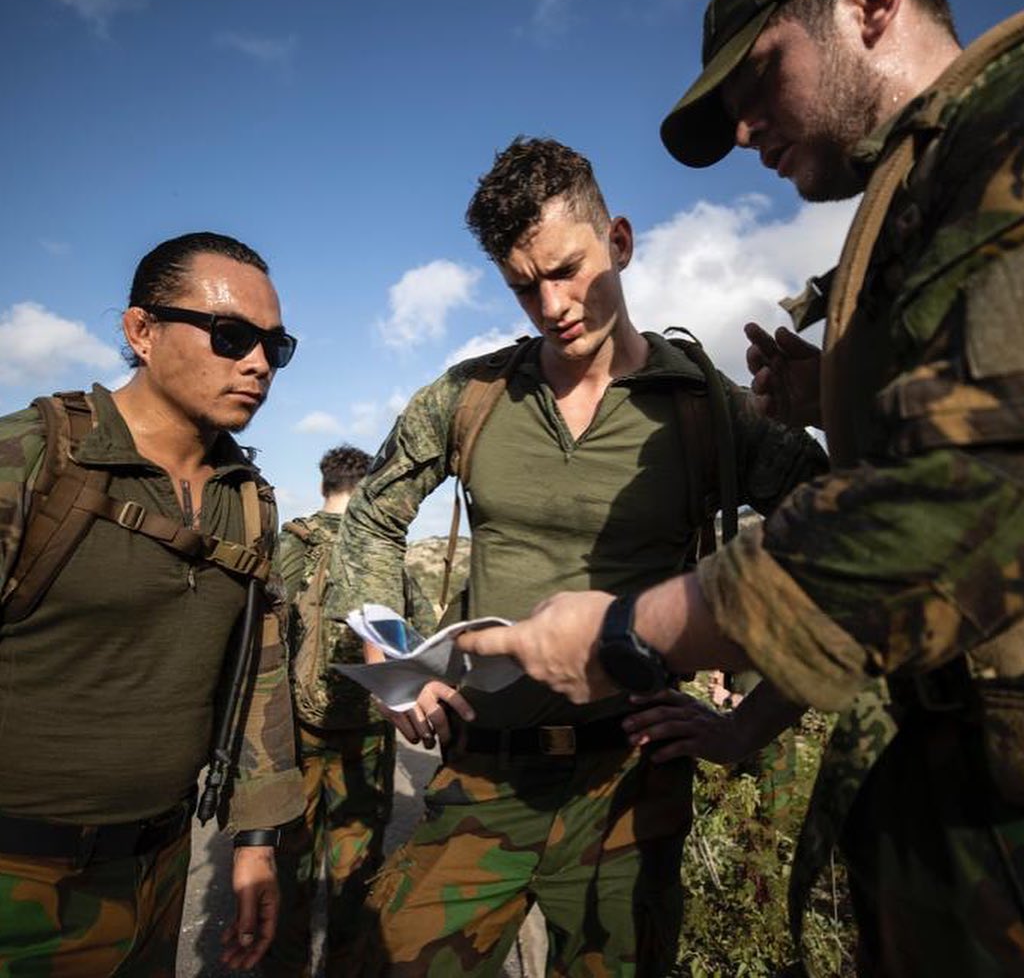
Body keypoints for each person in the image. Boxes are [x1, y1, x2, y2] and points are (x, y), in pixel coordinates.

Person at [460, 0, 1024, 974]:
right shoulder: (922, 182)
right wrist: (844, 397)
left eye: (756, 80)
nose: (742, 130)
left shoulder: (1005, 135)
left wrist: (637, 630)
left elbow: (961, 508)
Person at [328, 136, 827, 976]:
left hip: (630, 787)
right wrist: (392, 664)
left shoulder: (708, 411)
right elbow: (372, 519)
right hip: (482, 776)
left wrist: (745, 727)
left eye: (568, 269)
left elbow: (841, 551)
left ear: (620, 242)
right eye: (524, 286)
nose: (553, 303)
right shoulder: (469, 398)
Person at [0, 231, 305, 975]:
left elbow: (256, 672)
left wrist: (257, 840)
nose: (258, 363)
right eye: (231, 335)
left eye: (276, 345)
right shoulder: (33, 461)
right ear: (142, 331)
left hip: (160, 868)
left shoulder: (250, 502)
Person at [268, 445, 415, 977]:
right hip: (368, 735)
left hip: (295, 729)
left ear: (325, 483)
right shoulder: (382, 552)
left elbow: (265, 629)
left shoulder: (293, 540)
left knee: (288, 870)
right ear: (367, 486)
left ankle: (284, 968)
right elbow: (410, 632)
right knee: (356, 876)